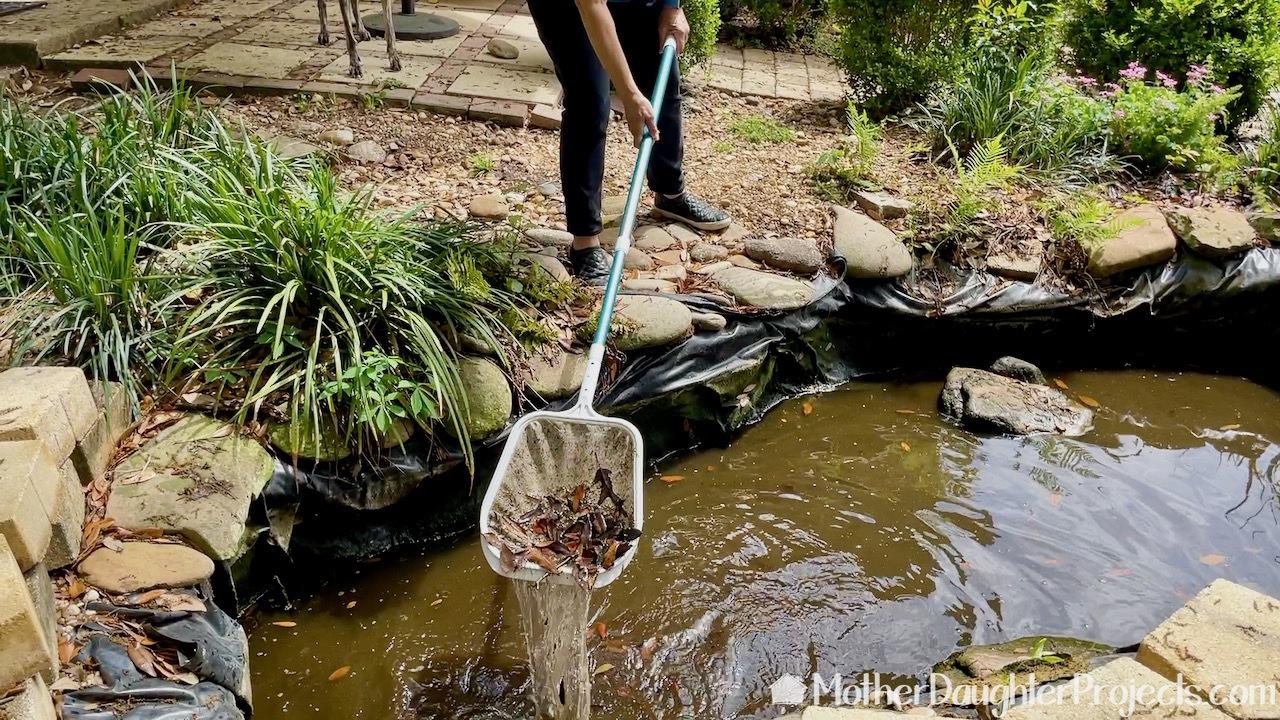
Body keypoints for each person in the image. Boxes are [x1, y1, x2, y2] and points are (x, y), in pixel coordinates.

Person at [529, 0, 733, 285]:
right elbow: (592, 5)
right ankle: (585, 242)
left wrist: (672, 6)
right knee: (589, 101)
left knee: (661, 74)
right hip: (568, 8)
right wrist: (629, 93)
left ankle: (670, 195)